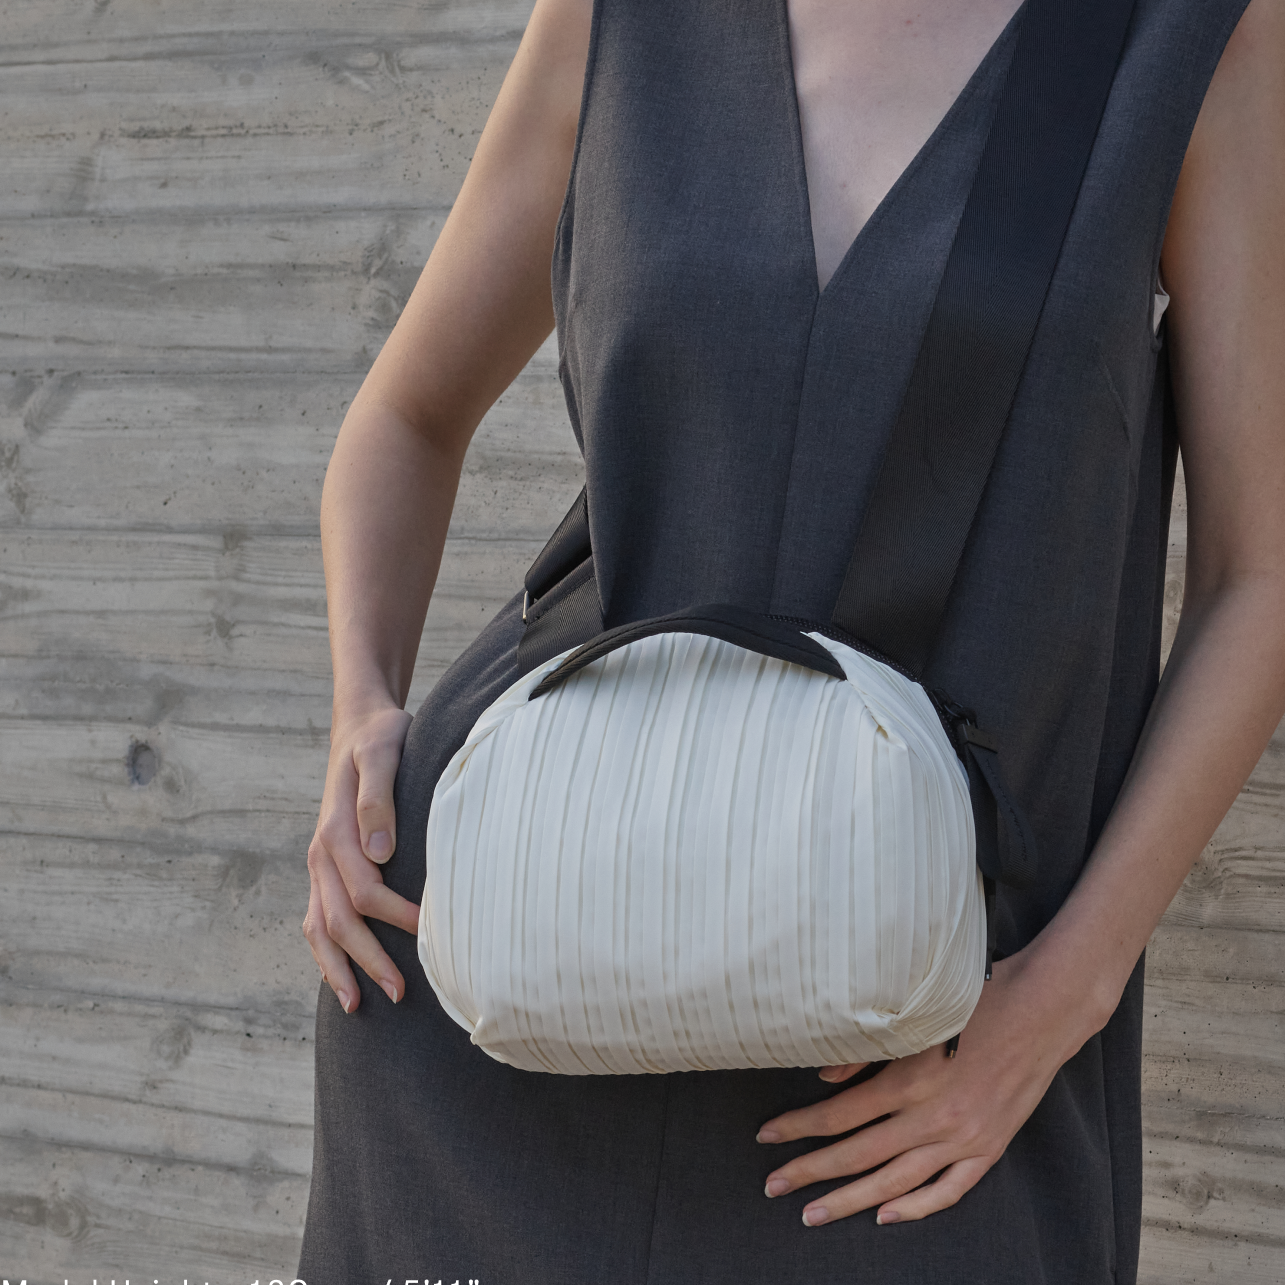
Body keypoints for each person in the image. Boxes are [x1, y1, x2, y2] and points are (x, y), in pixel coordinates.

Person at [297, 0, 1285, 1280]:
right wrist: (362, 709)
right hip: (505, 1025)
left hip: (926, 1058)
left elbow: (1256, 579)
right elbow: (406, 414)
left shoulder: (1191, 36)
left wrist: (1063, 996)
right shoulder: (616, 19)